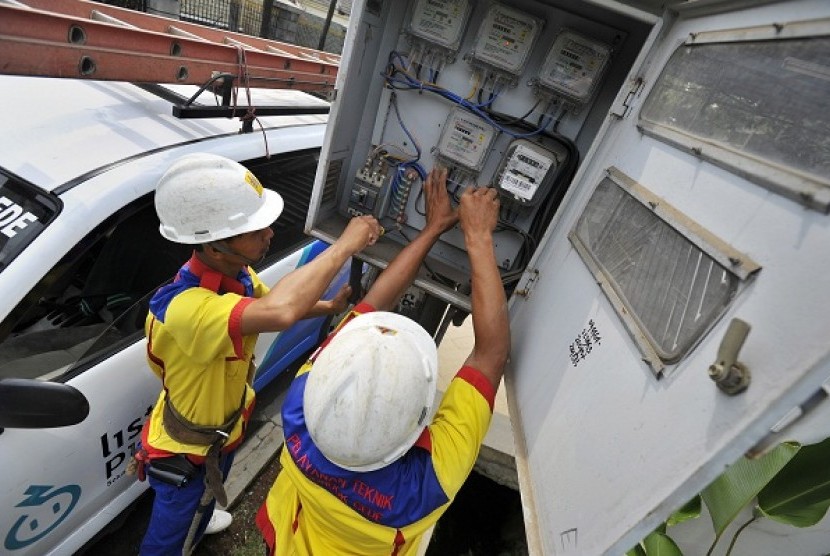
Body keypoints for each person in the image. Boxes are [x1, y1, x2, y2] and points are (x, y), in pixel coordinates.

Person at [132, 152, 381, 555]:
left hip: (221, 432)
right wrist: (345, 246)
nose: (269, 235)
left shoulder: (235, 276)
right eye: (256, 230)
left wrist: (330, 307)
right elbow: (280, 311)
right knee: (165, 543)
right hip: (188, 452)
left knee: (201, 506)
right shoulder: (184, 308)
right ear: (213, 245)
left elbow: (274, 303)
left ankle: (202, 516)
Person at [255, 165, 510, 555]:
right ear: (420, 418)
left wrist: (445, 230)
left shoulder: (299, 411)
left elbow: (487, 355)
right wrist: (475, 236)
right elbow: (490, 353)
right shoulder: (421, 487)